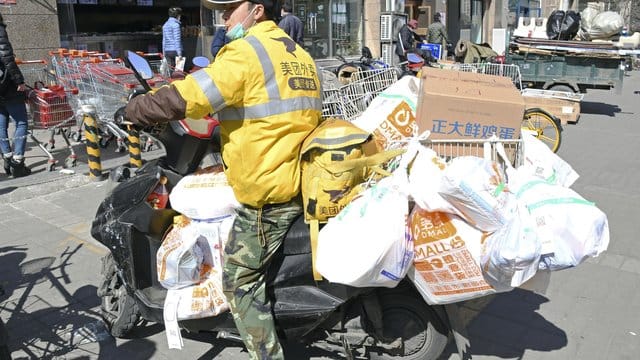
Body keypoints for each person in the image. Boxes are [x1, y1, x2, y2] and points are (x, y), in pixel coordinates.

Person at [124, 1, 321, 358]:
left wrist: (136, 109)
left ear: (257, 10)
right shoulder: (297, 54)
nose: (224, 16)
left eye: (231, 8)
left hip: (266, 189)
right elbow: (270, 112)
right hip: (296, 175)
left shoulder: (246, 52)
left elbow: (191, 95)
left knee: (238, 282)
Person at [0, 13, 30, 178]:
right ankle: (18, 162)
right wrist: (19, 81)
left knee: (0, 124)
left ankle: (7, 157)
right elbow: (7, 57)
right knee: (21, 122)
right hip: (8, 86)